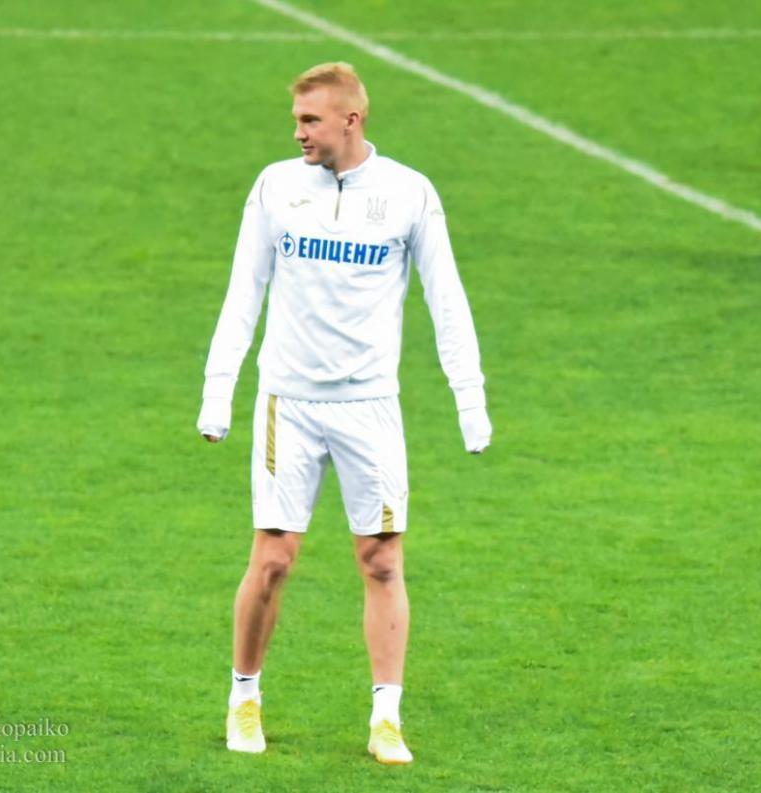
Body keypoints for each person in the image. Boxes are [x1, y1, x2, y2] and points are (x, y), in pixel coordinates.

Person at [196, 62, 491, 765]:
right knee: (273, 558)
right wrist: (217, 392)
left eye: (310, 120)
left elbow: (447, 300)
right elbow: (244, 290)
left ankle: (386, 717)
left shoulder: (409, 194)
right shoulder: (275, 187)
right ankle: (244, 697)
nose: (298, 133)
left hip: (369, 406)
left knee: (382, 560)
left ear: (351, 120)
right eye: (296, 120)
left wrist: (470, 401)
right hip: (288, 402)